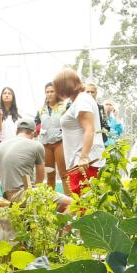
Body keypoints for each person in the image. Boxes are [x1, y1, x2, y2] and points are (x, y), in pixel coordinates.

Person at [0, 122, 71, 209]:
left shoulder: (0, 145)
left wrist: (1, 168)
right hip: (24, 195)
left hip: (7, 196)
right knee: (72, 203)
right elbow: (39, 180)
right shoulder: (36, 145)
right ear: (33, 133)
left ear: (17, 131)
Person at [54, 68, 104, 196]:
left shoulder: (82, 100)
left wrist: (84, 157)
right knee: (83, 202)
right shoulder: (79, 100)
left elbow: (89, 129)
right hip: (80, 162)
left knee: (84, 203)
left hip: (84, 164)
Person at [34, 82, 67, 191]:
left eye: (52, 91)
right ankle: (50, 199)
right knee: (50, 174)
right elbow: (36, 126)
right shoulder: (41, 110)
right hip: (46, 144)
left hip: (60, 142)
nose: (49, 94)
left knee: (64, 174)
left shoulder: (65, 106)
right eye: (47, 92)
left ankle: (70, 199)